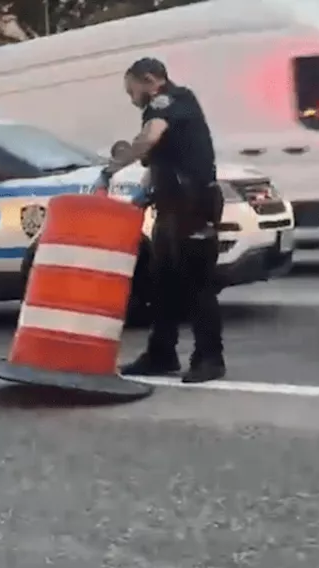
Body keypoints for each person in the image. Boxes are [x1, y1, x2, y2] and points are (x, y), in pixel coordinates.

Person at [101, 57, 226, 384]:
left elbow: (150, 138)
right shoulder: (169, 109)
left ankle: (210, 358)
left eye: (132, 89)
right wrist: (140, 196)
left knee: (197, 285)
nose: (132, 98)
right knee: (164, 285)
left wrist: (116, 164)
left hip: (192, 208)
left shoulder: (169, 101)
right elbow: (159, 162)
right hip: (171, 209)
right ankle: (162, 353)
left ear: (150, 80)